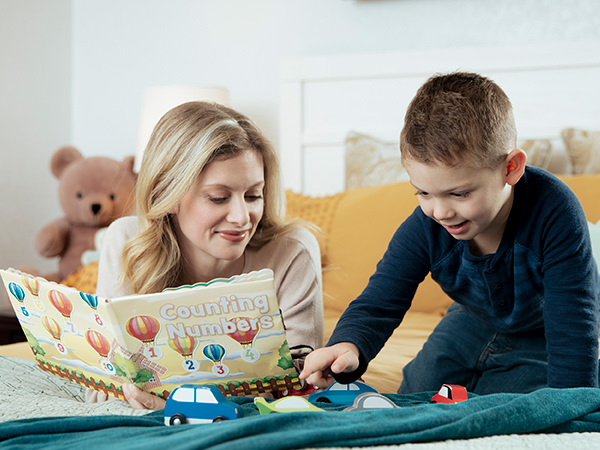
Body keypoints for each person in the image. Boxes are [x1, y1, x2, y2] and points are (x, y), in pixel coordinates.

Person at [300, 72, 599, 395]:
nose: (440, 212)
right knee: (418, 390)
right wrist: (347, 346)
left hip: (543, 329)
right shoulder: (426, 225)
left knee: (510, 401)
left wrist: (574, 400)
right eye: (424, 194)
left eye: (459, 194)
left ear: (510, 168)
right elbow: (380, 300)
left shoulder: (555, 210)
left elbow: (573, 324)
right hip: (471, 319)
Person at [88, 101, 323, 409]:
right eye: (218, 198)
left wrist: (182, 403)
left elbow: (301, 384)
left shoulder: (293, 251)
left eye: (254, 195)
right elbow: (105, 385)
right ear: (165, 195)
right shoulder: (127, 240)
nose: (242, 217)